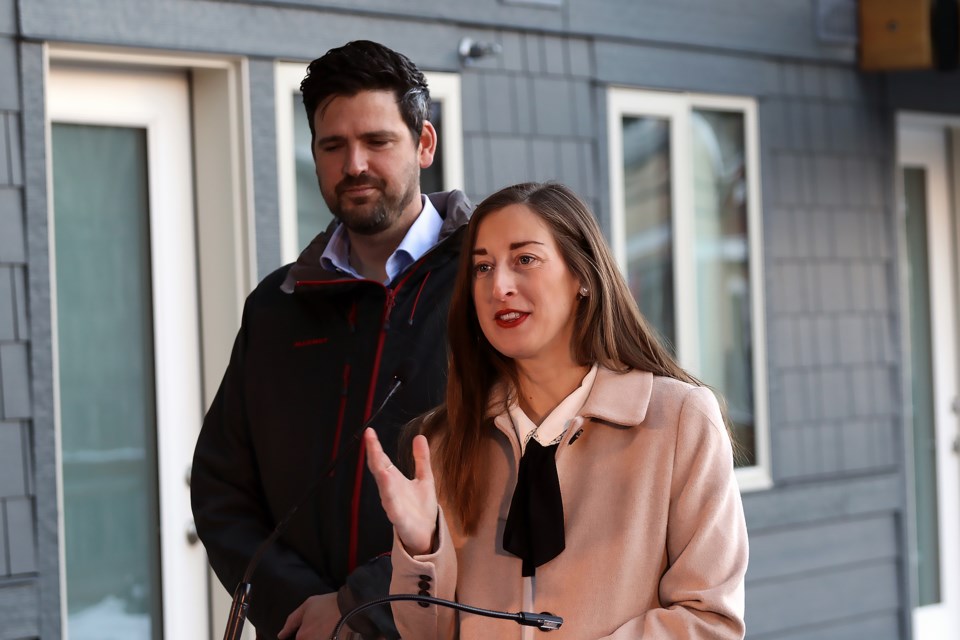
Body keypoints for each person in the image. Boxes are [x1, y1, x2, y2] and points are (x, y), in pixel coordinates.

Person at [364, 181, 748, 639]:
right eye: (482, 267)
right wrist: (421, 544)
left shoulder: (680, 421)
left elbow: (710, 621)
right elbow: (429, 634)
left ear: (582, 276)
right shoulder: (447, 440)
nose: (498, 286)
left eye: (524, 259)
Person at [190, 40, 472, 640]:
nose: (355, 165)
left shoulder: (490, 291)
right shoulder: (276, 307)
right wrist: (300, 608)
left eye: (377, 141)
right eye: (332, 145)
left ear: (424, 144)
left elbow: (520, 487)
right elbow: (222, 490)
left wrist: (359, 606)